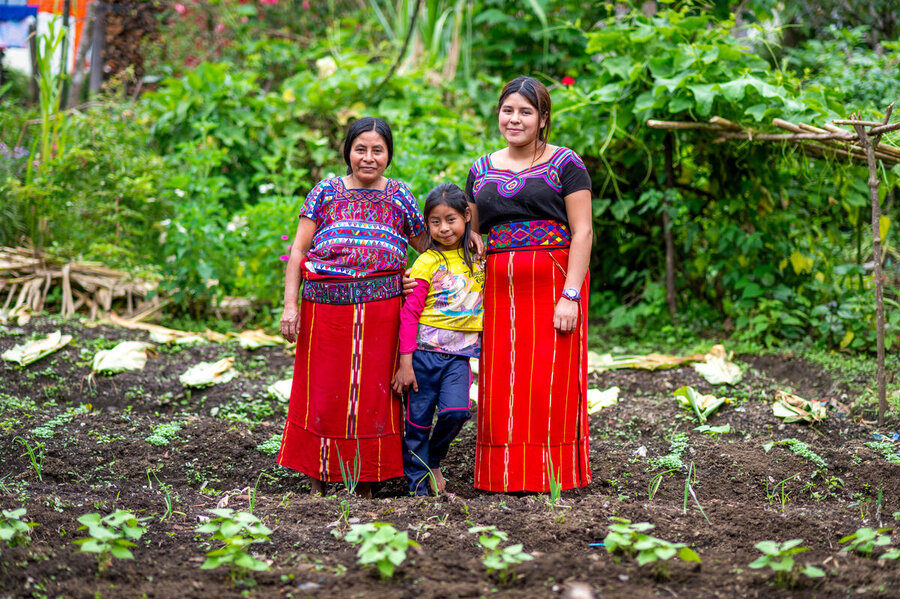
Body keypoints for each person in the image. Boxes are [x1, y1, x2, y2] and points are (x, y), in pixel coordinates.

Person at [277, 116, 427, 498]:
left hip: (382, 314)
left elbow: (428, 249)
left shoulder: (401, 196)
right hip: (325, 312)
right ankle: (317, 477)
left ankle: (366, 480)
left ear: (388, 154)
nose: (369, 157)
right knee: (323, 394)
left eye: (378, 149)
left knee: (372, 395)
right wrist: (290, 307)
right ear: (348, 151)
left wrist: (450, 250)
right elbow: (298, 251)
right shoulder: (325, 192)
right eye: (361, 148)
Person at [465, 75, 593, 493]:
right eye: (508, 110)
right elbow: (472, 233)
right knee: (501, 381)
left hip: (554, 286)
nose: (514, 119)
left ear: (542, 119)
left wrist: (570, 295)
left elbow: (584, 232)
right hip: (498, 292)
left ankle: (551, 475)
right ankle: (501, 477)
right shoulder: (480, 169)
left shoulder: (565, 163)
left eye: (525, 111)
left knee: (549, 380)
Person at [391, 183, 485, 496]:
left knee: (456, 412)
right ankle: (417, 489)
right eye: (435, 221)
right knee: (417, 423)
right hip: (422, 356)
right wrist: (405, 362)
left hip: (459, 357)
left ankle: (434, 457)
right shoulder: (426, 262)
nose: (444, 228)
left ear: (466, 216)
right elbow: (409, 314)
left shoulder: (479, 260)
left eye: (451, 219)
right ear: (427, 223)